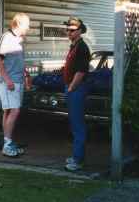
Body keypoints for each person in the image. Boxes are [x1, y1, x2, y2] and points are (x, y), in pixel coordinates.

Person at [0, 13, 30, 157]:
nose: (28, 27)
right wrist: (8, 80)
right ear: (19, 24)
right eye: (27, 24)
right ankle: (7, 145)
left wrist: (26, 75)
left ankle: (8, 141)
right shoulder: (6, 37)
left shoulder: (19, 40)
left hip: (17, 80)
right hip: (9, 81)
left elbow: (19, 61)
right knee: (14, 111)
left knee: (9, 111)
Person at [62, 17, 91, 171]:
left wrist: (71, 88)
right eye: (67, 29)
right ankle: (76, 156)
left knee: (78, 125)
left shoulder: (82, 48)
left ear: (80, 31)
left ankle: (78, 160)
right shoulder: (74, 46)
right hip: (72, 88)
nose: (69, 32)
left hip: (77, 89)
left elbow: (81, 72)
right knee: (74, 124)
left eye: (72, 30)